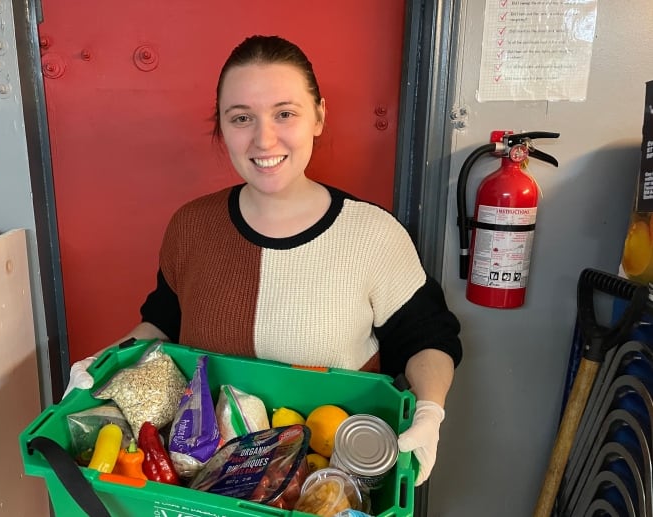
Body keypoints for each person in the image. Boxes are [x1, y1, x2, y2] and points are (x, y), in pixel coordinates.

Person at [64, 34, 462, 487]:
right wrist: (103, 367)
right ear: (222, 126)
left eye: (285, 113)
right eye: (242, 118)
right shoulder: (191, 226)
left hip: (330, 482)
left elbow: (427, 338)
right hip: (202, 484)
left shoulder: (373, 235)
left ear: (319, 116)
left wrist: (429, 411)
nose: (264, 138)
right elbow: (161, 324)